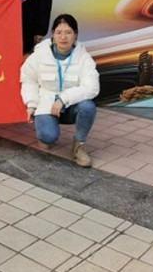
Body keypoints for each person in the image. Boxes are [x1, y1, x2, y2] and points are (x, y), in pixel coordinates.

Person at [20, 14, 100, 167]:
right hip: (46, 104)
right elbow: (28, 80)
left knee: (88, 107)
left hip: (71, 106)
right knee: (47, 137)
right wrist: (31, 104)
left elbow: (92, 87)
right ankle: (46, 130)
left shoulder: (84, 58)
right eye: (59, 32)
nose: (63, 37)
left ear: (75, 34)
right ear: (53, 34)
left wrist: (64, 99)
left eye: (68, 32)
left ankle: (79, 146)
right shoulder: (39, 55)